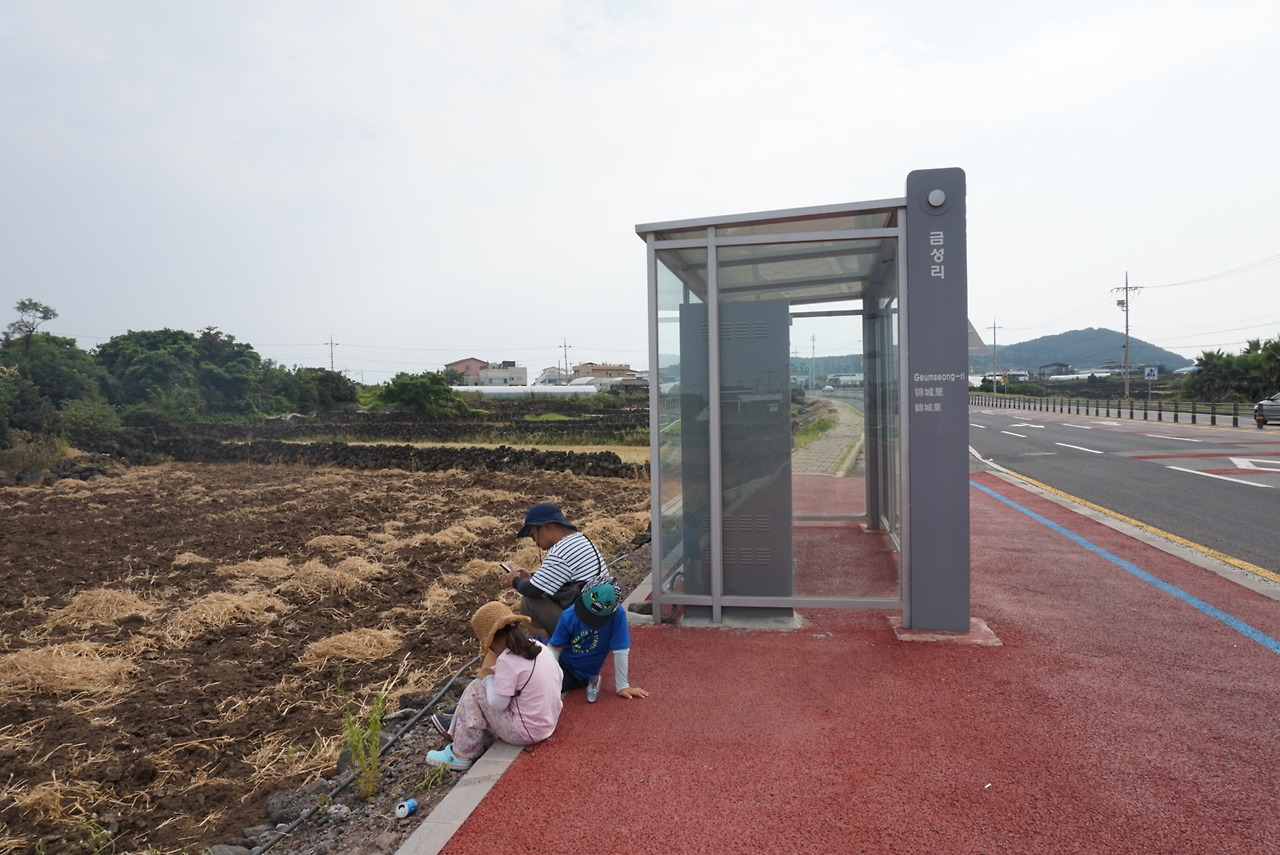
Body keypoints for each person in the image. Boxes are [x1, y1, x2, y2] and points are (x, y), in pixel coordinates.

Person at [426, 601, 564, 771]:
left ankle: (462, 753)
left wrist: (488, 679)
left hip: (525, 733)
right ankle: (477, 732)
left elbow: (498, 704)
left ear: (491, 642)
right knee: (489, 688)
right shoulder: (539, 647)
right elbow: (560, 675)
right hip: (548, 723)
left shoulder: (507, 660)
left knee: (475, 688)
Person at [504, 502, 606, 638]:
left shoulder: (562, 551)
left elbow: (532, 590)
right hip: (600, 617)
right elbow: (560, 577)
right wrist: (531, 577)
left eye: (532, 533)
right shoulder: (579, 540)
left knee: (529, 603)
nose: (533, 540)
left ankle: (548, 649)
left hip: (589, 630)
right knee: (545, 595)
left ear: (546, 527)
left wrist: (515, 580)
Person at [550, 577, 650, 703]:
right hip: (559, 660)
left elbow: (621, 650)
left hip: (576, 672)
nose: (588, 619)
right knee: (530, 647)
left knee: (542, 684)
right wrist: (549, 672)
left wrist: (622, 685)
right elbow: (554, 648)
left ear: (613, 609)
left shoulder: (617, 614)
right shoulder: (569, 614)